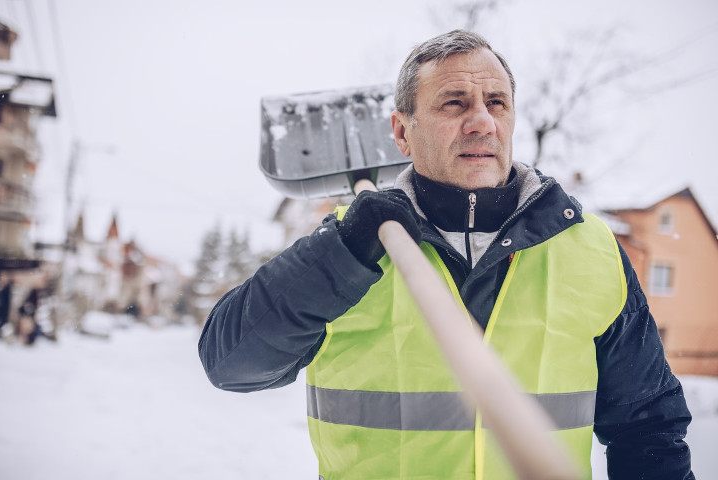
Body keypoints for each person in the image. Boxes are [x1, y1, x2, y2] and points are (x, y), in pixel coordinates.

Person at [199, 30, 693, 479]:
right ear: (402, 132)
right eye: (454, 103)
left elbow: (647, 427)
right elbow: (232, 364)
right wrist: (344, 250)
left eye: (496, 102)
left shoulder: (589, 248)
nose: (481, 121)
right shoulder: (350, 248)